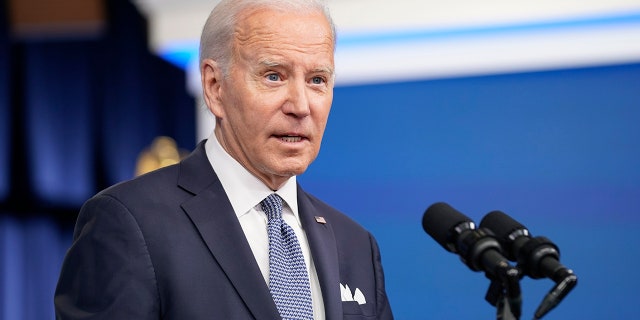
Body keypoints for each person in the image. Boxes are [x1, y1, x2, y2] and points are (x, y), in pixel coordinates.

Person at [54, 0, 394, 319]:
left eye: (317, 80)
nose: (301, 106)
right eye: (273, 76)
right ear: (215, 87)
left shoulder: (356, 245)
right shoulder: (129, 223)